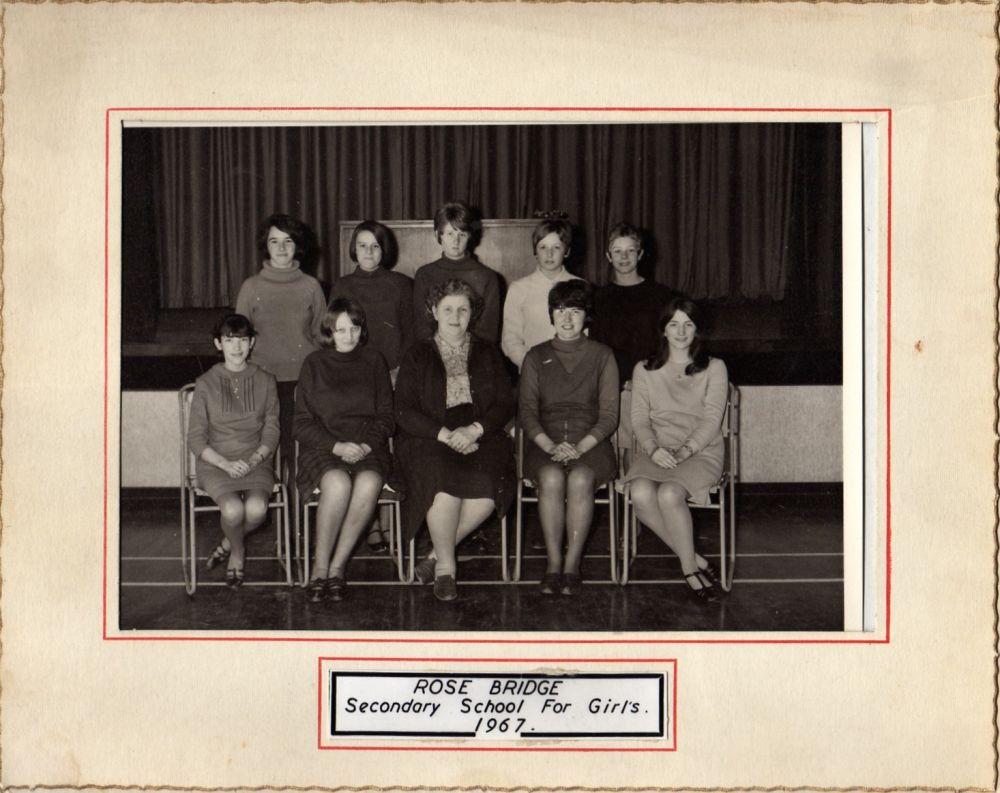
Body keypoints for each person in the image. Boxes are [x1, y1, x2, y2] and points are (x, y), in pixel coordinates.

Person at [394, 279, 515, 601]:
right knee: (442, 485)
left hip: (480, 432)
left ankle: (434, 555)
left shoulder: (488, 351)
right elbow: (403, 409)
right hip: (429, 435)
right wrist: (446, 435)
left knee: (490, 489)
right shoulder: (418, 353)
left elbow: (504, 402)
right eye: (447, 308)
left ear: (472, 313)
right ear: (434, 311)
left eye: (463, 309)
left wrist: (475, 429)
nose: (455, 316)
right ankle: (447, 569)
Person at [623, 296, 728, 602]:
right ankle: (697, 559)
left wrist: (685, 451)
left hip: (701, 450)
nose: (681, 332)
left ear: (697, 330)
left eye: (688, 324)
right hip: (658, 449)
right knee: (639, 492)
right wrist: (653, 449)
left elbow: (711, 419)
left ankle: (688, 570)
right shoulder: (644, 369)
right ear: (663, 330)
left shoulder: (715, 367)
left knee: (669, 493)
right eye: (673, 324)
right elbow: (639, 418)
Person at [518, 281, 619, 596]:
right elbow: (527, 413)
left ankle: (572, 565)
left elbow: (609, 416)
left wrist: (579, 447)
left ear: (586, 316)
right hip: (543, 443)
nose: (567, 318)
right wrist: (550, 446)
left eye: (576, 311)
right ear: (551, 314)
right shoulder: (535, 357)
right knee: (549, 476)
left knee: (580, 478)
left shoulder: (603, 355)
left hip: (591, 443)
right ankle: (553, 563)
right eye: (560, 310)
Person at [294, 299, 394, 602]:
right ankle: (319, 568)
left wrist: (364, 445)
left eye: (354, 328)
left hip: (368, 446)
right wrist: (336, 446)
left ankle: (337, 567)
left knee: (368, 482)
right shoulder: (314, 363)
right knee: (337, 483)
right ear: (329, 332)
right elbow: (300, 424)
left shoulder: (375, 361)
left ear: (361, 329)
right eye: (340, 330)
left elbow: (387, 417)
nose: (348, 335)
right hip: (324, 446)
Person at [330, 220, 413, 552]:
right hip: (358, 379)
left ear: (385, 250)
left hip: (394, 375)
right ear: (353, 249)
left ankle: (393, 525)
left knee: (392, 445)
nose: (368, 252)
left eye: (375, 246)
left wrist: (399, 372)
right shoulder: (342, 285)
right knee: (367, 445)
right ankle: (372, 525)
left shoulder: (401, 285)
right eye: (362, 245)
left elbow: (411, 335)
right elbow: (334, 336)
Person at [187, 314, 279, 588]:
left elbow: (272, 431)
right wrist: (226, 464)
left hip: (257, 461)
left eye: (242, 340)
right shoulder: (205, 382)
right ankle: (237, 552)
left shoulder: (266, 380)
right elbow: (196, 438)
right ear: (218, 344)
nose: (236, 347)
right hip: (216, 463)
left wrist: (253, 460)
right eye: (229, 340)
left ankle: (228, 542)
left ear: (251, 343)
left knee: (257, 509)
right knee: (232, 510)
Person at [236, 213, 327, 471]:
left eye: (288, 241)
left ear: (297, 246)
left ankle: (297, 509)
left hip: (302, 383)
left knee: (297, 453)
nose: (282, 248)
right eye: (274, 241)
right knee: (263, 455)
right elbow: (240, 340)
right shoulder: (250, 287)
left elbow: (322, 337)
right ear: (266, 246)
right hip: (261, 382)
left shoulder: (311, 286)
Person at [591, 223, 678, 387]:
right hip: (614, 384)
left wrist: (648, 377)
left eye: (630, 250)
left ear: (640, 254)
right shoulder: (599, 298)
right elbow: (598, 348)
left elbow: (668, 344)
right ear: (609, 256)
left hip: (654, 381)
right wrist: (621, 381)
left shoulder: (661, 295)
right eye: (617, 251)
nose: (624, 257)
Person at [501, 218, 585, 370]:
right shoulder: (518, 288)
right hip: (533, 371)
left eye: (557, 247)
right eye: (543, 247)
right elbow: (510, 339)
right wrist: (530, 365)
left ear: (567, 251)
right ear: (535, 251)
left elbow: (587, 334)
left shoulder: (582, 286)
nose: (549, 254)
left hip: (574, 370)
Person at [412, 202, 501, 344]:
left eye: (462, 234)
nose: (456, 240)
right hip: (433, 354)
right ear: (438, 235)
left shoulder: (487, 276)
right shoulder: (425, 274)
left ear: (470, 236)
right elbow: (422, 327)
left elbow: (488, 332)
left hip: (475, 356)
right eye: (450, 233)